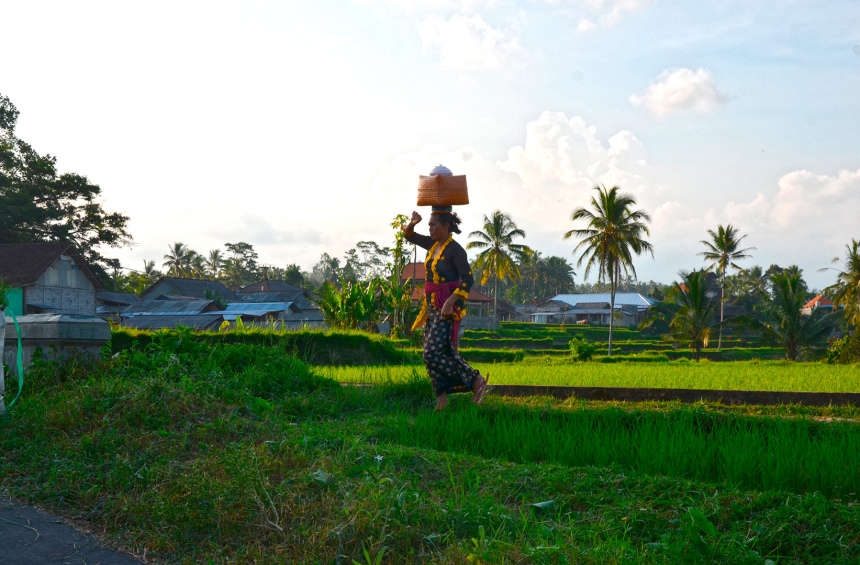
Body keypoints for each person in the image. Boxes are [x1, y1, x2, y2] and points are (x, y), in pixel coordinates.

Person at [402, 208, 489, 411]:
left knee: (431, 354)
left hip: (447, 308)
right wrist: (413, 222)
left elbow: (468, 279)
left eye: (434, 225)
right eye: (429, 225)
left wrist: (451, 301)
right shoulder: (433, 244)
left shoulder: (455, 250)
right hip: (431, 306)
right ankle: (441, 401)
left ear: (446, 226)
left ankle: (475, 380)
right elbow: (408, 235)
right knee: (437, 352)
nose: (430, 228)